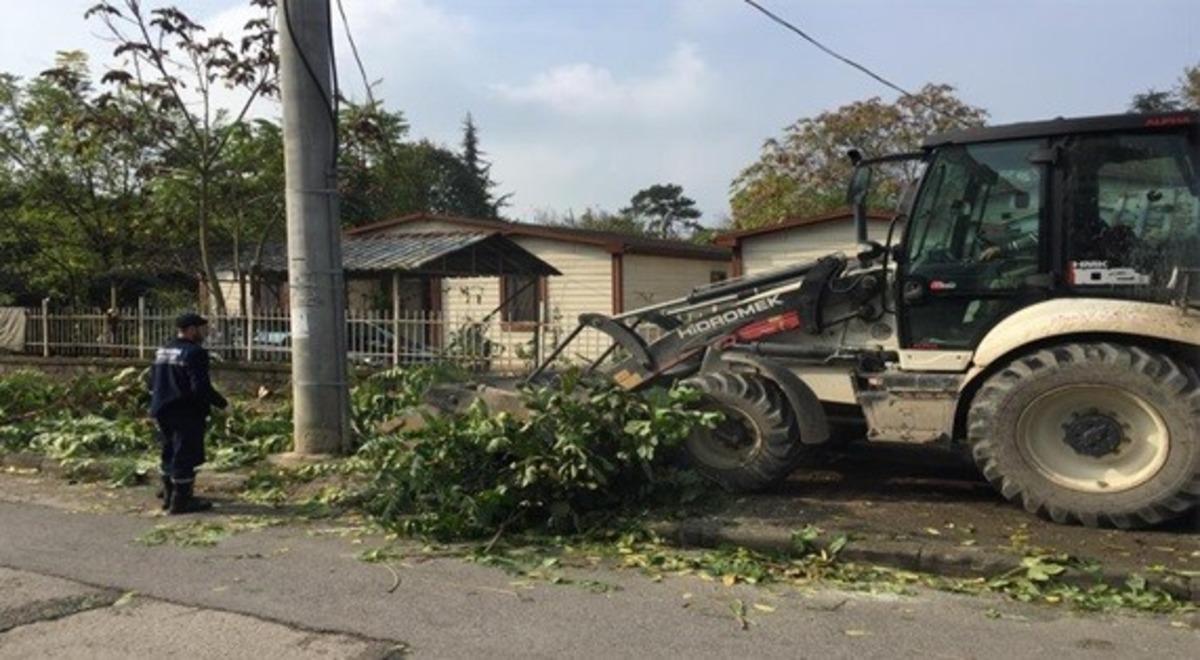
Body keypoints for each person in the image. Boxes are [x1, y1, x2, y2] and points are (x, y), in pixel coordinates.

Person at [149, 313, 228, 514]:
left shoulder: (163, 350)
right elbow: (200, 387)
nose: (205, 332)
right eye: (202, 328)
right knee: (185, 454)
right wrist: (222, 404)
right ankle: (181, 502)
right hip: (185, 410)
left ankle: (168, 496)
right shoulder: (195, 353)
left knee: (169, 451)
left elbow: (151, 381)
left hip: (162, 409)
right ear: (192, 329)